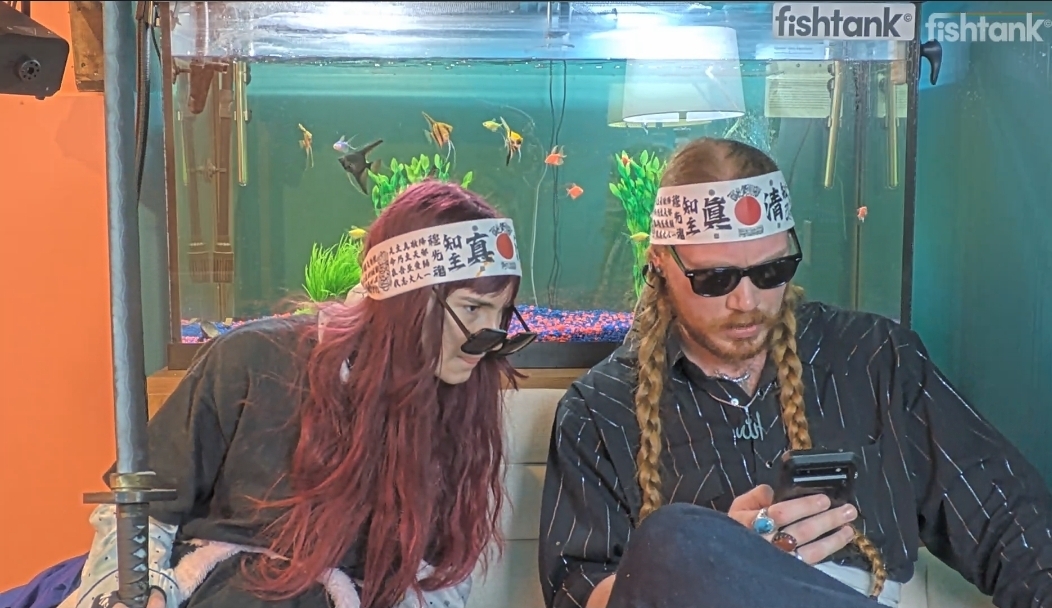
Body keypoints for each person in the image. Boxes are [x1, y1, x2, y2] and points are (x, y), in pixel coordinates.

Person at [538, 137, 1052, 608]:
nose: (747, 302)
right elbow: (575, 591)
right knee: (672, 539)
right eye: (714, 279)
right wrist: (714, 563)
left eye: (771, 272)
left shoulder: (875, 360)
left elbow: (1014, 524)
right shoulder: (599, 409)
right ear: (659, 264)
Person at [56, 181, 537, 608]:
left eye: (501, 312)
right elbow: (139, 511)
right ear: (406, 300)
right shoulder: (250, 359)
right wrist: (141, 591)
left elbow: (439, 575)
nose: (491, 336)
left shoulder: (459, 400)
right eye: (472, 309)